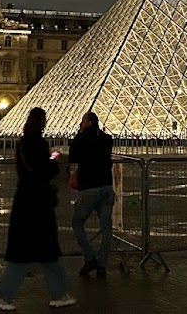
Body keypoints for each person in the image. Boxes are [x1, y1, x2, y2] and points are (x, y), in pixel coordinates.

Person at [0, 107, 76, 311]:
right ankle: (1, 294)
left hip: (26, 201)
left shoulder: (23, 143)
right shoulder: (37, 143)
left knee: (45, 252)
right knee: (31, 253)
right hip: (37, 203)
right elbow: (45, 169)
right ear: (41, 122)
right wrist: (54, 159)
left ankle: (60, 294)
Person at [69, 111, 115, 277]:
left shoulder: (81, 139)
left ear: (88, 122)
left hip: (90, 188)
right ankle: (102, 266)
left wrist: (78, 135)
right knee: (106, 227)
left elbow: (72, 156)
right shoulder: (107, 138)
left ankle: (90, 258)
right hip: (107, 187)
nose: (81, 123)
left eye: (82, 121)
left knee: (77, 222)